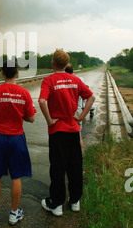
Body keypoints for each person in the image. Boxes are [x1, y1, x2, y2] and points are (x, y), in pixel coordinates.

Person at [39, 50, 95, 217]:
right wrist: (81, 116)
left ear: (53, 63)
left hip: (57, 131)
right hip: (73, 129)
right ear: (66, 64)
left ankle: (56, 204)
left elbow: (42, 101)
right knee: (75, 166)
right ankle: (75, 200)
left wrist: (49, 120)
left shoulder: (49, 80)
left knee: (57, 167)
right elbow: (91, 97)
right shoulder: (75, 80)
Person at [0, 61, 36, 227]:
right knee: (16, 176)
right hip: (16, 139)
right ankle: (14, 213)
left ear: (2, 73)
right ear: (18, 72)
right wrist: (19, 117)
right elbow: (32, 118)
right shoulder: (24, 93)